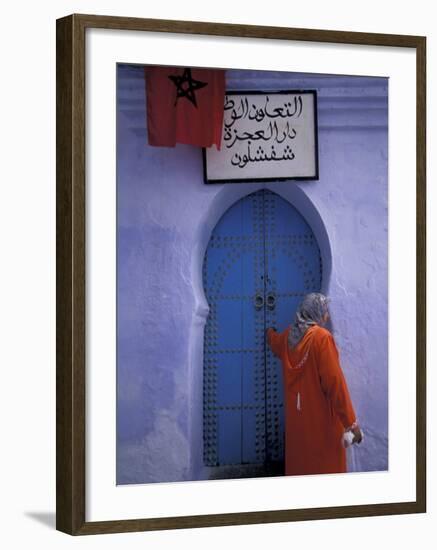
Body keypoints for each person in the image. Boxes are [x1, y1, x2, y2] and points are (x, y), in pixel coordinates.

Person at [266, 292, 362, 476]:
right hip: (322, 425)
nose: (326, 316)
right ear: (316, 312)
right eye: (324, 311)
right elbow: (336, 384)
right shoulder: (321, 338)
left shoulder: (287, 336)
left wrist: (269, 334)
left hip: (298, 425)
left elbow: (275, 343)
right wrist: (352, 424)